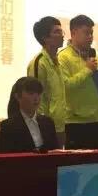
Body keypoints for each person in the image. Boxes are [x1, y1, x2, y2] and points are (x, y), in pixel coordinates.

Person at [58, 14, 98, 149]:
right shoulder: (63, 57)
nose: (90, 37)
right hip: (74, 123)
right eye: (86, 33)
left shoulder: (96, 58)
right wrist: (87, 70)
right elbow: (65, 86)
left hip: (97, 120)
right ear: (73, 33)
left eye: (91, 33)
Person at [27, 16, 66, 146]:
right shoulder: (39, 63)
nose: (62, 35)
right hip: (45, 127)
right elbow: (34, 98)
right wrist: (41, 126)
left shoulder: (57, 62)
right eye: (57, 32)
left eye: (61, 31)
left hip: (60, 126)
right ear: (45, 37)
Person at [0, 77, 58, 153]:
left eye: (38, 93)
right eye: (31, 93)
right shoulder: (8, 126)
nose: (36, 98)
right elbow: (6, 156)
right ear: (18, 97)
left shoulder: (48, 122)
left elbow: (56, 152)